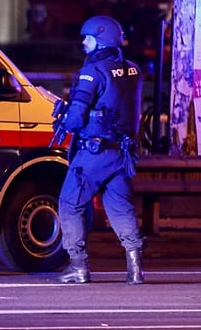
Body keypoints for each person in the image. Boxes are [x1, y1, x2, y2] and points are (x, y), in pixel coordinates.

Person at [55, 15, 145, 285]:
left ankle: (78, 266)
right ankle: (135, 267)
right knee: (120, 207)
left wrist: (64, 118)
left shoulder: (92, 71)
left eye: (88, 37)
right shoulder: (133, 69)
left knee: (70, 204)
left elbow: (75, 119)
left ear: (100, 38)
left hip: (94, 153)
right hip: (123, 152)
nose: (84, 42)